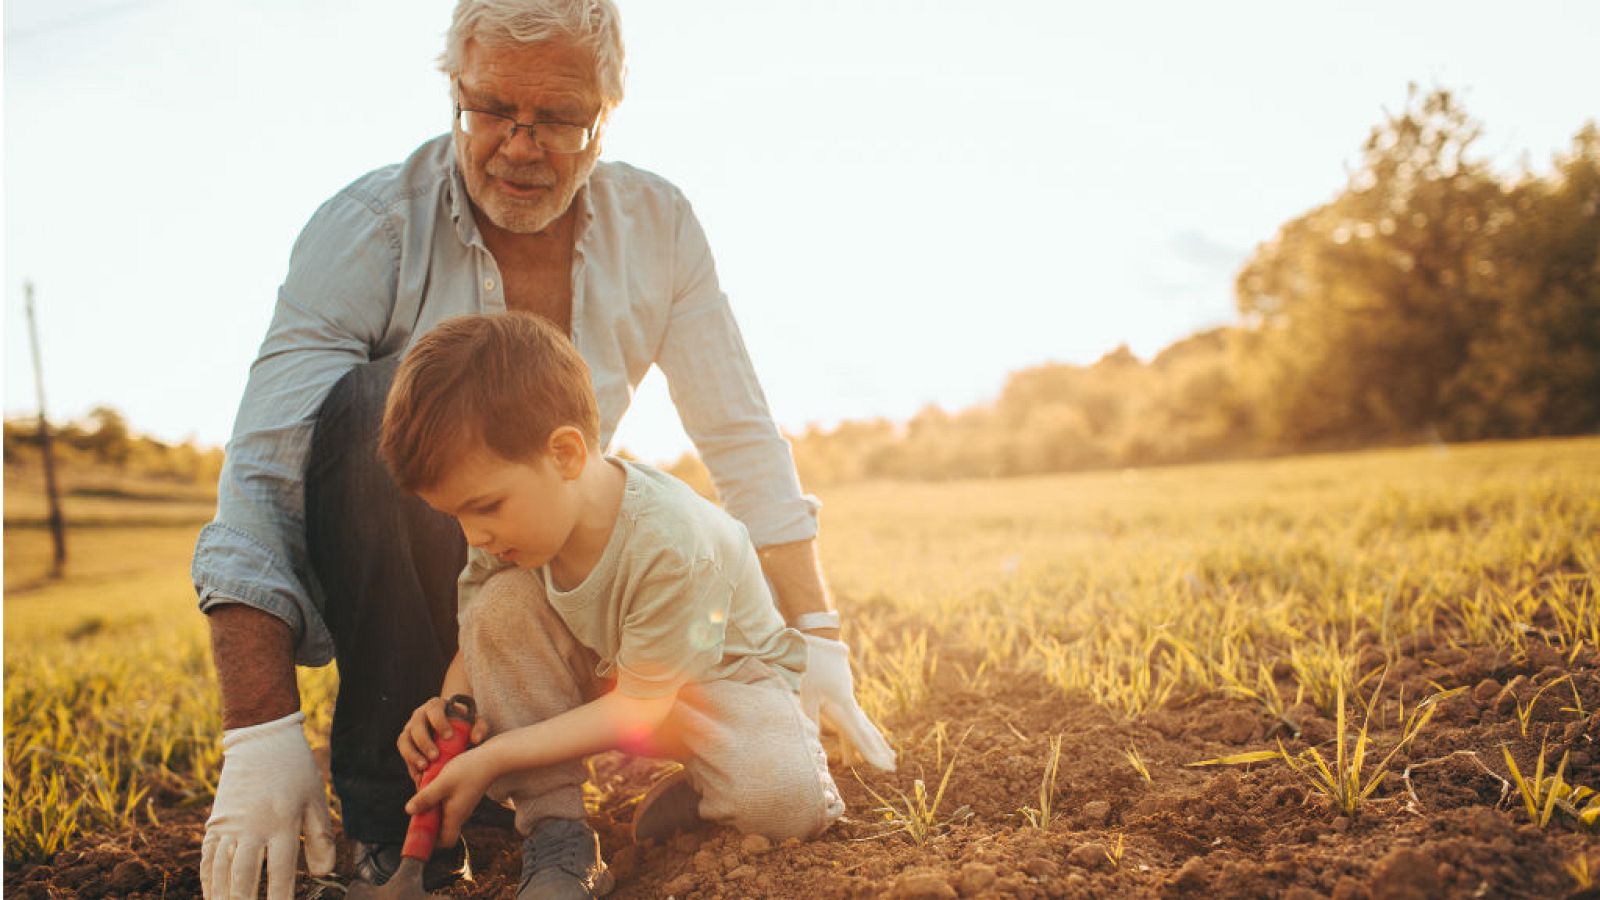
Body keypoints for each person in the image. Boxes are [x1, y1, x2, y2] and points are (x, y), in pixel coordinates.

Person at [192, 2, 892, 898]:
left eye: (558, 117)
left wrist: (817, 632)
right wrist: (258, 731)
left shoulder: (659, 225)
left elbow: (738, 431)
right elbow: (263, 471)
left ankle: (544, 767)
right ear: (456, 92)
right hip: (490, 562)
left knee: (765, 778)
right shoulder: (369, 227)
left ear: (606, 111)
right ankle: (398, 818)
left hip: (594, 571)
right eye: (490, 110)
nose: (519, 147)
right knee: (383, 408)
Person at [384, 312, 844, 898]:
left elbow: (638, 711)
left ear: (566, 454)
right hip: (622, 681)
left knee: (784, 806)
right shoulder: (510, 535)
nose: (473, 535)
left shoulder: (671, 543)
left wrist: (493, 757)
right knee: (499, 603)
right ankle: (558, 835)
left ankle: (715, 787)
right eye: (456, 517)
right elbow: (482, 637)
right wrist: (452, 709)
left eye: (487, 506)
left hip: (722, 684)